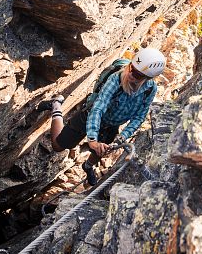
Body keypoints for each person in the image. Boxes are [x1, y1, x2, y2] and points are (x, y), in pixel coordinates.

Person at [37, 47, 166, 186]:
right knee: (58, 145)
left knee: (102, 151)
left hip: (111, 124)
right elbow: (98, 108)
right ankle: (56, 105)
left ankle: (87, 166)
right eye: (131, 67)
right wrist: (92, 139)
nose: (130, 74)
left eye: (137, 74)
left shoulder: (150, 89)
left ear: (147, 78)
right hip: (90, 115)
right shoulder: (116, 79)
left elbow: (139, 117)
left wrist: (122, 137)